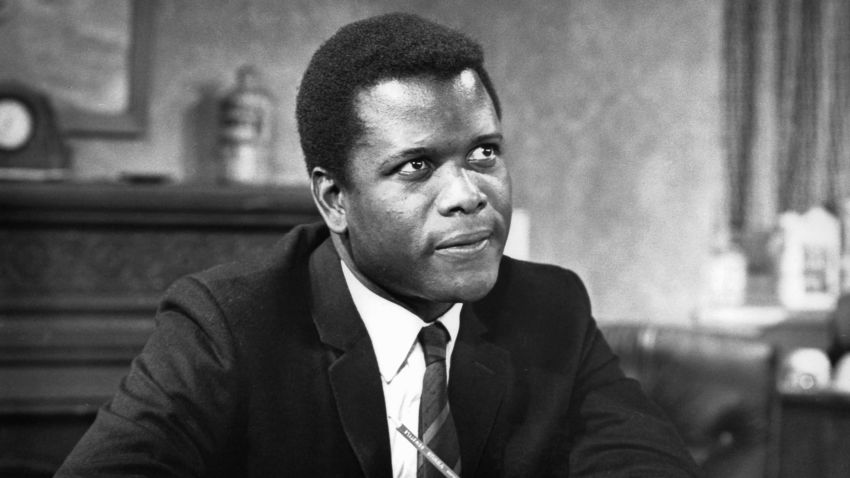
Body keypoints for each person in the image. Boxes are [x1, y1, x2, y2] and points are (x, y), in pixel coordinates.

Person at [57, 13, 700, 478]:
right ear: (335, 200)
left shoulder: (551, 306)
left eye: (484, 153)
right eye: (417, 167)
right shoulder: (227, 325)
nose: (469, 194)